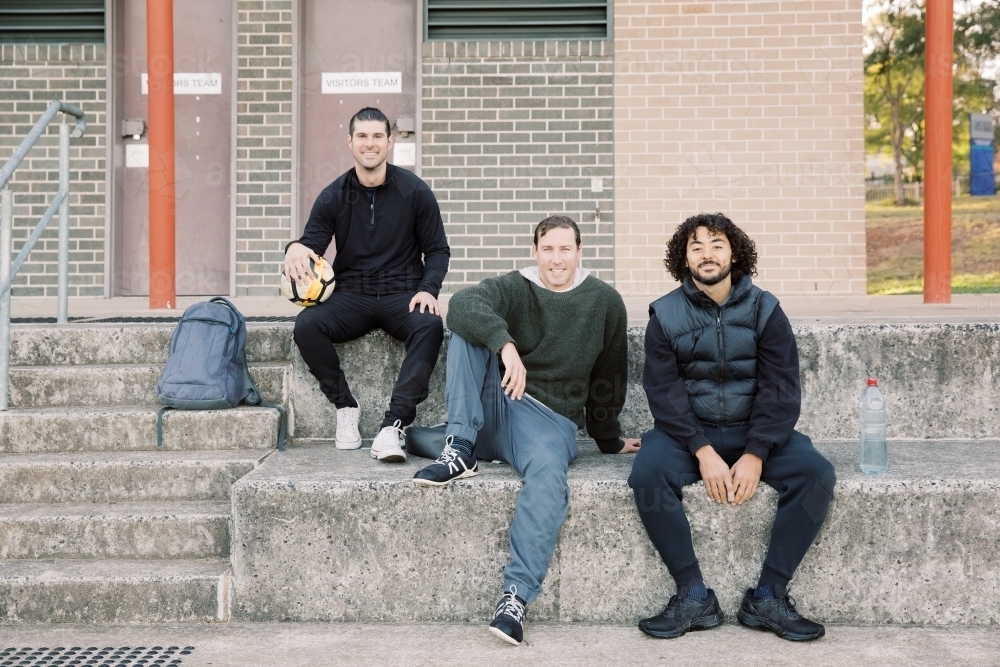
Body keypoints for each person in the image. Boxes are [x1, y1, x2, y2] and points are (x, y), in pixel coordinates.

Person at [413, 215, 640, 646]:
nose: (556, 259)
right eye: (548, 249)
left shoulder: (604, 302)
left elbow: (610, 377)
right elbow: (462, 304)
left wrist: (608, 439)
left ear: (580, 251)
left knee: (548, 479)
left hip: (547, 423)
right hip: (496, 401)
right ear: (534, 251)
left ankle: (515, 597)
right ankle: (460, 446)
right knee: (467, 328)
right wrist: (506, 345)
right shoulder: (515, 286)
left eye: (565, 249)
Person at [628, 213, 836, 642]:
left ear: (734, 252)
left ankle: (768, 597)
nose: (707, 253)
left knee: (817, 475)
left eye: (717, 243)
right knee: (647, 475)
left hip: (753, 430)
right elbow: (663, 393)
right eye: (696, 246)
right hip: (687, 433)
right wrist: (702, 451)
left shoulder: (766, 309)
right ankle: (693, 595)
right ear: (683, 259)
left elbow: (782, 388)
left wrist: (757, 452)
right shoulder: (665, 314)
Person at [285, 107, 450, 462]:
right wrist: (294, 249)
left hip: (402, 293)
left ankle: (393, 426)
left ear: (389, 142)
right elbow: (311, 241)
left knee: (431, 325)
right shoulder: (334, 195)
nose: (370, 143)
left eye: (378, 136)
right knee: (307, 324)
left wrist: (428, 289)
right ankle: (346, 408)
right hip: (352, 296)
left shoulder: (415, 191)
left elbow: (437, 249)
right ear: (350, 142)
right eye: (362, 136)